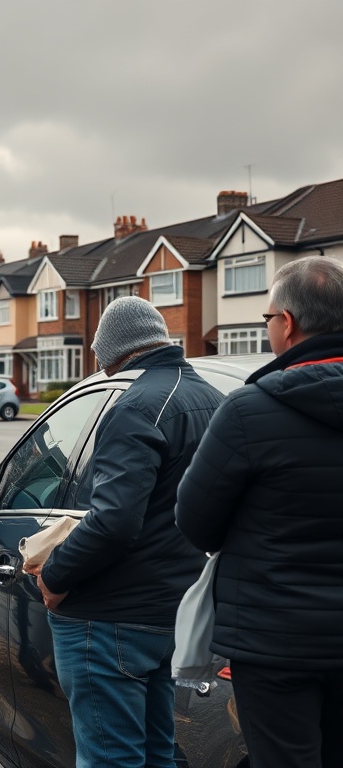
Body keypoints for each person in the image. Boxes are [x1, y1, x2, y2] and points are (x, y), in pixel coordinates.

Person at [31, 296, 223, 767]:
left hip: (111, 618)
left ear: (112, 350)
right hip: (177, 611)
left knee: (109, 759)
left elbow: (114, 521)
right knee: (159, 753)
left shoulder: (135, 406)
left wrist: (54, 576)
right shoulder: (215, 402)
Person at [176, 256, 343, 768]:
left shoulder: (249, 411)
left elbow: (195, 520)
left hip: (274, 641)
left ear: (287, 323)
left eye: (267, 319)